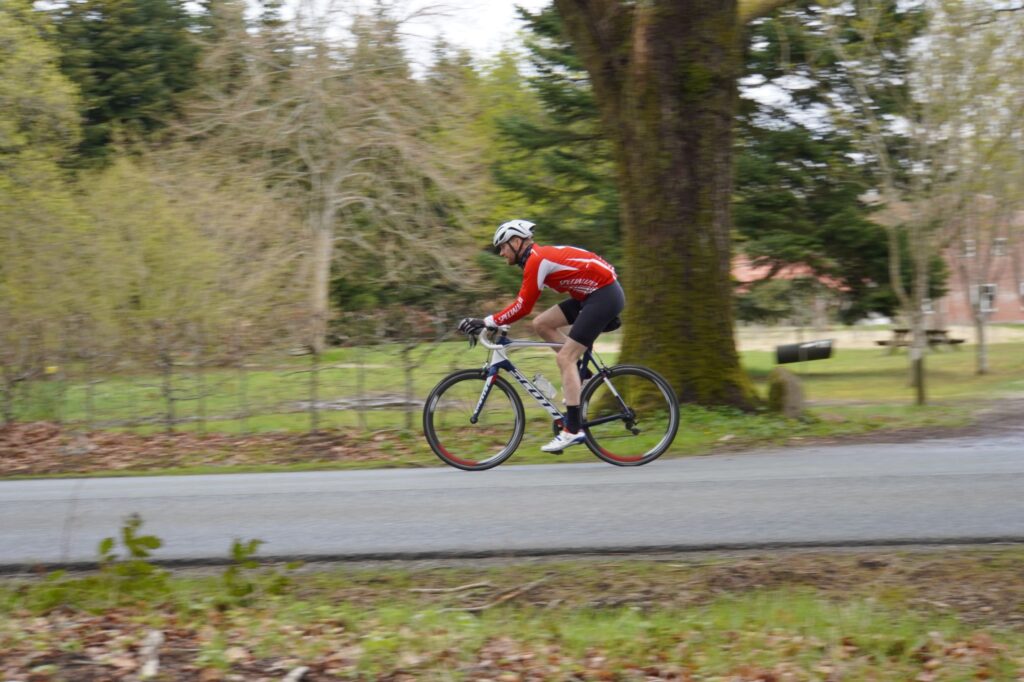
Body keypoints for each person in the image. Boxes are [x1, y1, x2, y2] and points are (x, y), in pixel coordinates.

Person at [458, 219, 625, 453]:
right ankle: (583, 375)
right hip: (590, 296)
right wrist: (497, 322)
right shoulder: (536, 259)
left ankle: (573, 430)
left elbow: (523, 306)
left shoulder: (537, 260)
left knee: (564, 358)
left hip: (603, 296)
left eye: (503, 246)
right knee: (542, 324)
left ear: (517, 242)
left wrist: (487, 321)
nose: (501, 252)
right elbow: (526, 307)